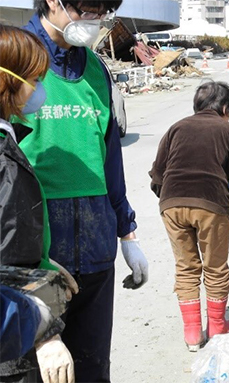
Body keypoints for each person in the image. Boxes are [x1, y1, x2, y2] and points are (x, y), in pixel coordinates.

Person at [15, 1, 149, 381]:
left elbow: (110, 157)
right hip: (33, 248)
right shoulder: (15, 58)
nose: (95, 20)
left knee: (91, 367)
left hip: (95, 242)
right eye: (89, 8)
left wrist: (126, 230)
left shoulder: (94, 68)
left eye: (103, 10)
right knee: (34, 370)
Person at [149, 81, 229, 351]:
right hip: (211, 204)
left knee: (186, 267)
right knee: (215, 267)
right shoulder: (228, 131)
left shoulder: (176, 128)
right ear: (225, 108)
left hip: (171, 203)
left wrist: (170, 198)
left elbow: (157, 174)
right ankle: (216, 327)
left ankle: (192, 334)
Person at [0, 24, 75, 383]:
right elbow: (5, 258)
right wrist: (45, 332)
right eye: (34, 78)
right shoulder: (3, 159)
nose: (39, 90)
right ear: (6, 81)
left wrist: (45, 263)